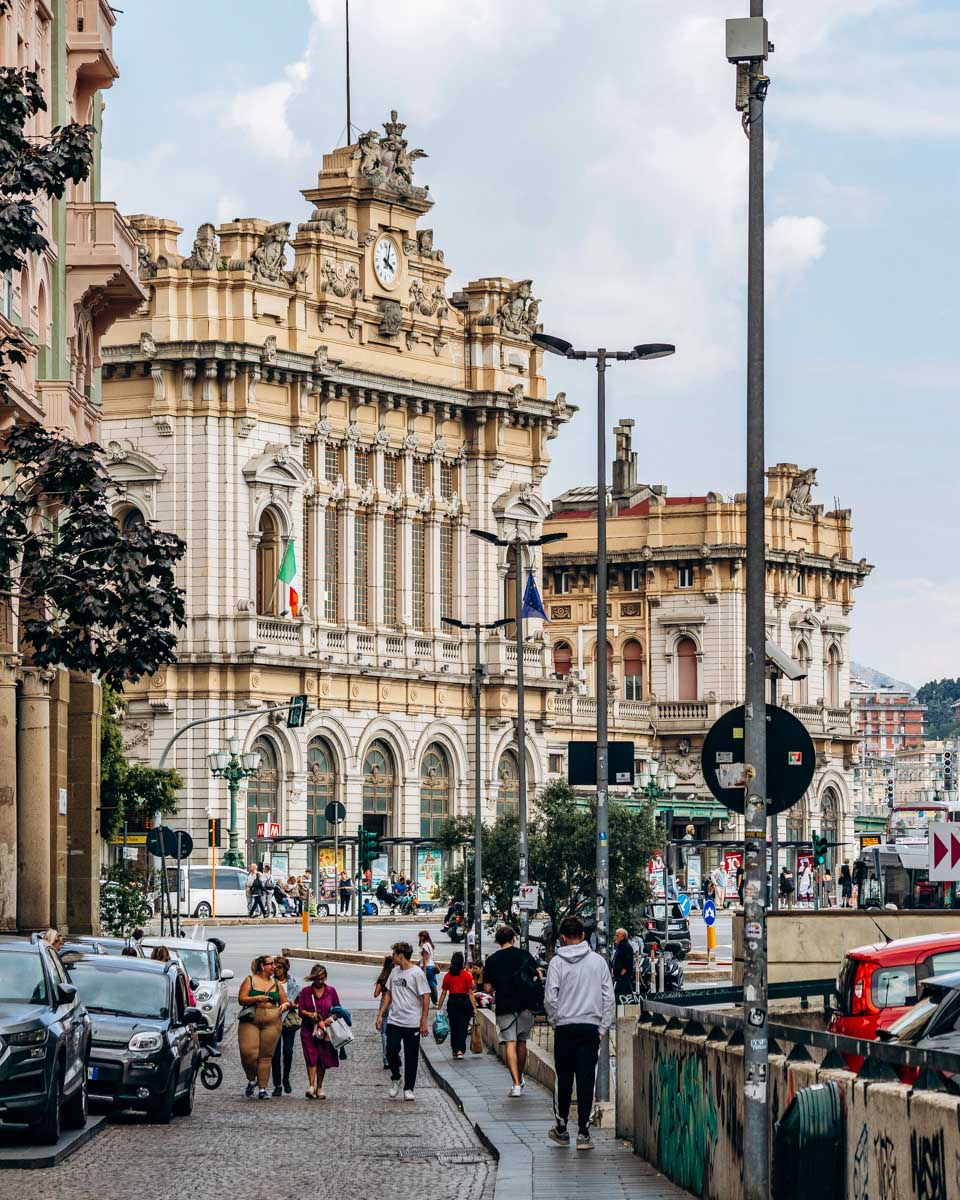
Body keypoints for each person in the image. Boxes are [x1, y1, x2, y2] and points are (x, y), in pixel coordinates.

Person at [545, 915, 615, 1151]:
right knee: (587, 1079)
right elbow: (609, 998)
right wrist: (603, 1027)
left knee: (563, 1079)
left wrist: (556, 1022)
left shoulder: (557, 963)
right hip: (590, 1028)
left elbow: (550, 998)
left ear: (563, 937)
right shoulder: (598, 962)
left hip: (565, 1027)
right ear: (583, 936)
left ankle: (562, 1127)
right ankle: (584, 1133)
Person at [482, 925, 539, 1098]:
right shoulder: (524, 955)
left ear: (498, 941)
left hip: (505, 1006)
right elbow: (537, 974)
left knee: (509, 1043)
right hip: (525, 1005)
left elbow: (487, 989)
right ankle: (520, 1076)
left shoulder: (492, 960)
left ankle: (515, 1084)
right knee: (522, 1043)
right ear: (513, 939)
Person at [376, 941, 431, 1101]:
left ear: (400, 955)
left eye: (394, 954)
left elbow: (425, 997)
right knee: (391, 1049)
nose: (392, 957)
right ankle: (396, 1076)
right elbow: (388, 994)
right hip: (394, 1020)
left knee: (411, 1055)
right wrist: (380, 1014)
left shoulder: (417, 973)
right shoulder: (394, 972)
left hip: (412, 1021)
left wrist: (423, 1021)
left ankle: (409, 1088)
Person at [237, 955, 289, 1099]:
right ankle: (251, 1079)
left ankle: (262, 1088)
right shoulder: (250, 980)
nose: (274, 966)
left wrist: (283, 1007)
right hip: (251, 1019)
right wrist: (257, 998)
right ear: (262, 966)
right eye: (271, 964)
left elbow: (285, 1001)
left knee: (266, 1056)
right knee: (249, 1054)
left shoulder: (276, 983)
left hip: (272, 1021)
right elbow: (241, 999)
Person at [298, 963, 341, 1099]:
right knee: (311, 1056)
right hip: (308, 1030)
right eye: (317, 979)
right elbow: (300, 1010)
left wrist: (330, 1018)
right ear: (313, 978)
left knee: (322, 1057)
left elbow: (338, 1009)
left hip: (325, 1031)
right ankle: (311, 1086)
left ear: (326, 978)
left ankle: (320, 1087)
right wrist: (310, 1014)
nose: (320, 982)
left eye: (322, 979)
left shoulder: (331, 991)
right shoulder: (305, 992)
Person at [438, 951, 477, 1059]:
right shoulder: (466, 975)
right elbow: (470, 993)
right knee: (463, 1027)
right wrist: (474, 1008)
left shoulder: (447, 976)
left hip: (452, 1002)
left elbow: (444, 993)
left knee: (453, 1026)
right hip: (464, 1002)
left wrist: (439, 1007)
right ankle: (460, 1050)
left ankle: (455, 1049)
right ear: (462, 963)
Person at [271, 957, 300, 1095]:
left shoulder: (293, 984)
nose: (276, 970)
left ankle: (286, 1079)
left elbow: (299, 1002)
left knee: (288, 1052)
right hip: (273, 1020)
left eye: (279, 967)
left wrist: (293, 1005)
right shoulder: (270, 982)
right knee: (275, 1054)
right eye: (275, 967)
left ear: (285, 969)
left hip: (288, 1021)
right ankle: (277, 1085)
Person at [373, 954, 394, 1068]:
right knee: (394, 1032)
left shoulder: (382, 978)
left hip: (384, 1006)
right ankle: (394, 1056)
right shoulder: (396, 977)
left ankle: (386, 1060)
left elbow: (376, 994)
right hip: (395, 1004)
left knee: (384, 1034)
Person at [610, 928, 635, 1001]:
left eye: (617, 935)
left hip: (622, 975)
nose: (615, 937)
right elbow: (616, 959)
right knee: (628, 994)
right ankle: (634, 1006)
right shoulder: (620, 946)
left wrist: (623, 971)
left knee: (616, 996)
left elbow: (628, 960)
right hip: (620, 975)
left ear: (623, 936)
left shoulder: (626, 946)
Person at [418, 930, 439, 1004]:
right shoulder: (430, 944)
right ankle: (435, 1000)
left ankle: (429, 1000)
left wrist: (424, 970)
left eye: (420, 936)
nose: (419, 938)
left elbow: (425, 958)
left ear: (423, 937)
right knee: (432, 983)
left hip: (427, 967)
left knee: (425, 984)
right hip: (431, 966)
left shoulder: (425, 945)